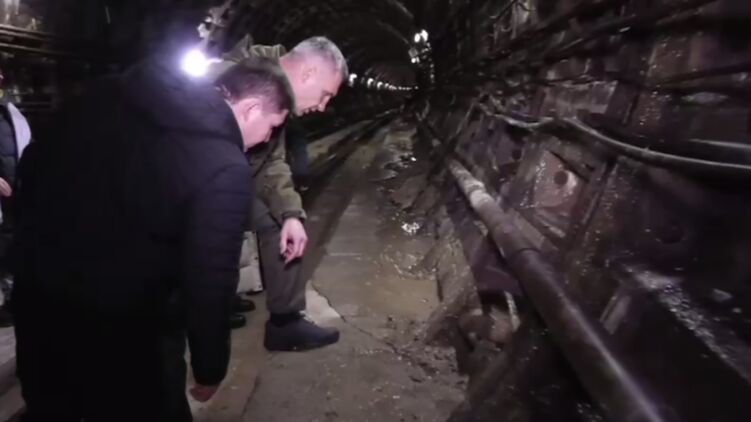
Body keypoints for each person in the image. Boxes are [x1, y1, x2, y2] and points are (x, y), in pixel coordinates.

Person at [10, 54, 293, 421]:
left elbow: (32, 167)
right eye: (272, 127)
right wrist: (209, 367)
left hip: (40, 305)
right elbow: (210, 278)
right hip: (129, 333)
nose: (267, 139)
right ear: (251, 108)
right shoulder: (223, 164)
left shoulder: (104, 98)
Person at [210, 36, 347, 351]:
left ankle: (285, 322)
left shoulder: (279, 96)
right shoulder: (230, 77)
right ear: (309, 74)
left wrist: (290, 214)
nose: (323, 106)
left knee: (279, 221)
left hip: (231, 178)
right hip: (194, 185)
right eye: (325, 94)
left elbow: (271, 162)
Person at [0, 66, 31, 328]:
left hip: (15, 196)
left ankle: (10, 300)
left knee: (10, 246)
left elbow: (26, 149)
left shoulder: (13, 114)